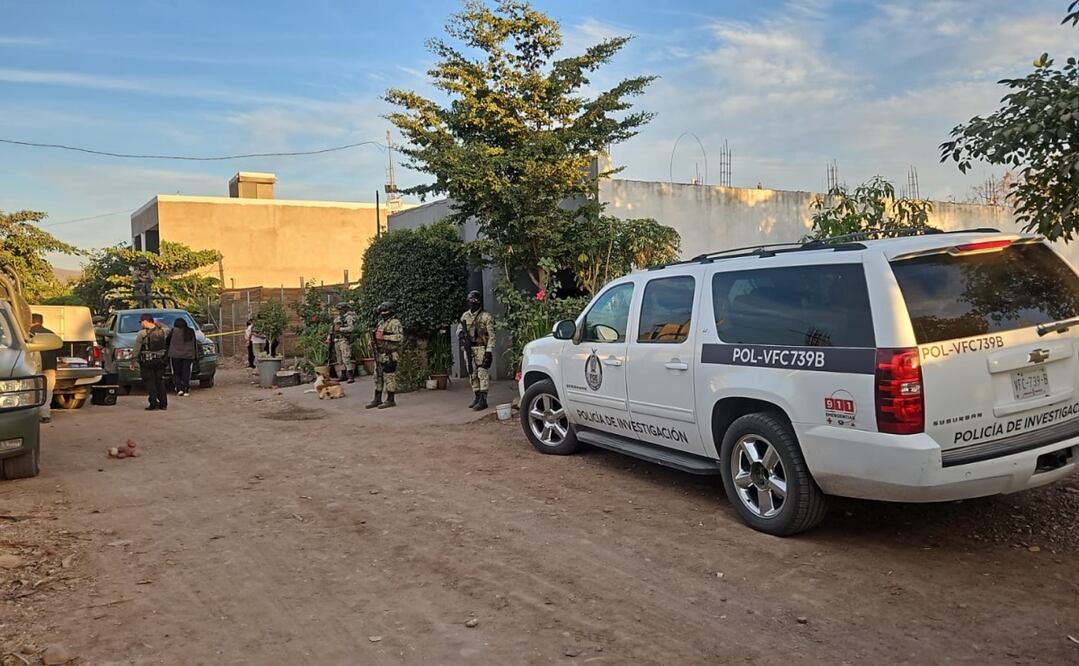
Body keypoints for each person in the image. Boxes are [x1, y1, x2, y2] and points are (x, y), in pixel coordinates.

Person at [458, 290, 496, 411]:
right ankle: (477, 396)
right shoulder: (465, 316)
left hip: (481, 347)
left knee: (482, 373)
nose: (472, 303)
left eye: (474, 301)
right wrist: (462, 335)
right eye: (470, 301)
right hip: (469, 348)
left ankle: (483, 399)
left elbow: (492, 335)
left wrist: (489, 351)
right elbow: (459, 330)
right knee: (472, 373)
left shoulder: (486, 316)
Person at [366, 301, 403, 409]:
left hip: (390, 354)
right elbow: (376, 335)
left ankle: (390, 400)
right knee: (377, 377)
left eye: (384, 311)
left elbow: (399, 338)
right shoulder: (381, 323)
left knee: (389, 377)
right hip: (379, 354)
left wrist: (384, 337)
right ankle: (377, 399)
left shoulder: (395, 323)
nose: (382, 313)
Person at [133, 313, 170, 411]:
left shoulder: (142, 333)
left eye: (141, 322)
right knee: (160, 382)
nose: (141, 324)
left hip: (147, 361)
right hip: (161, 360)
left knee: (150, 383)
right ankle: (163, 404)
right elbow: (168, 329)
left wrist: (133, 361)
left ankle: (153, 403)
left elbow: (137, 349)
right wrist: (157, 323)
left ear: (145, 321)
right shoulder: (164, 331)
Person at [30, 313, 58, 423]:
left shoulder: (28, 334)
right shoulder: (51, 334)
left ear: (30, 321)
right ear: (42, 322)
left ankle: (32, 415)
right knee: (48, 391)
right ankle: (45, 415)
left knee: (33, 391)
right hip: (50, 367)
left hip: (33, 366)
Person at [167, 317, 197, 397]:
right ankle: (186, 389)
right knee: (186, 372)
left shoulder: (173, 331)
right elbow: (195, 343)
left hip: (175, 355)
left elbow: (167, 341)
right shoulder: (190, 331)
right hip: (188, 355)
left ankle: (179, 389)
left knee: (176, 373)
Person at [332, 302, 358, 383]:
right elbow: (333, 329)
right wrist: (330, 337)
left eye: (341, 309)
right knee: (339, 359)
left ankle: (350, 375)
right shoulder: (337, 318)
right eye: (339, 309)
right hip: (337, 339)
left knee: (346, 357)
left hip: (344, 339)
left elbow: (351, 328)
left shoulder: (348, 318)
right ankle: (343, 374)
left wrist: (341, 329)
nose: (340, 311)